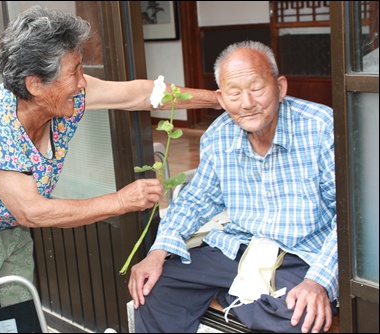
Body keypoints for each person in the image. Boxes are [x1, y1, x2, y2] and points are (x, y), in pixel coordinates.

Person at [0, 6, 220, 317]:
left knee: (18, 297)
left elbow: (139, 94)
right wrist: (121, 200)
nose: (82, 81)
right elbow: (32, 211)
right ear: (35, 84)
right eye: (74, 71)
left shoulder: (70, 92)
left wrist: (219, 99)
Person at [129, 40, 338, 333]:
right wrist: (157, 251)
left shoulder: (320, 127)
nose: (247, 103)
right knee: (154, 290)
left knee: (301, 318)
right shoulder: (218, 136)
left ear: (280, 87)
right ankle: (240, 296)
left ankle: (234, 296)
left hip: (301, 253)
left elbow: (350, 219)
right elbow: (196, 200)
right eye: (234, 93)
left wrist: (319, 281)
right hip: (238, 247)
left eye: (257, 88)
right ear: (221, 98)